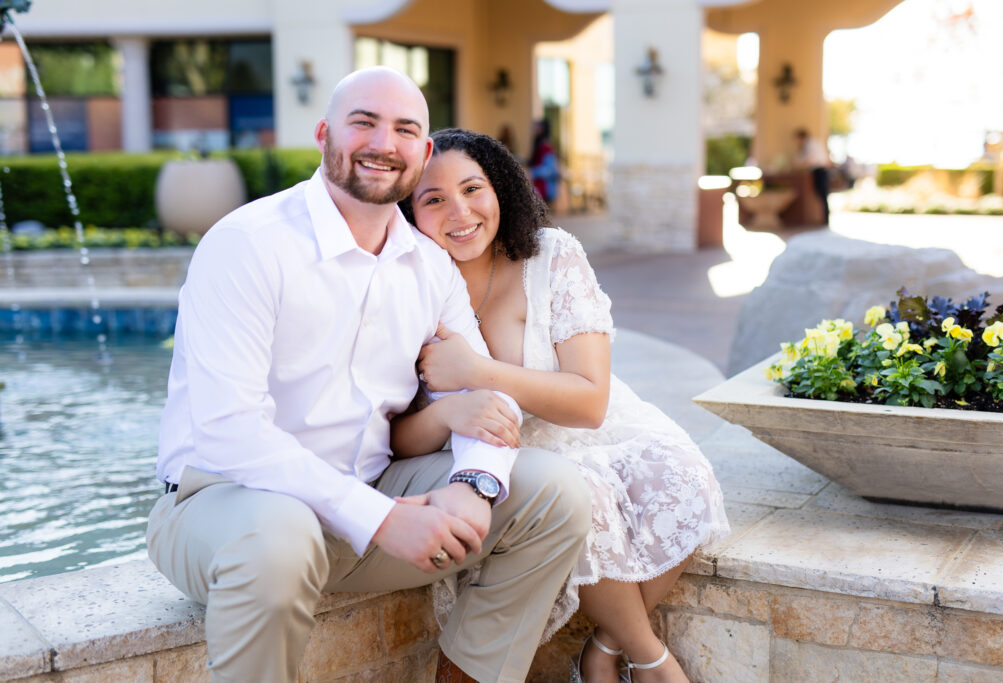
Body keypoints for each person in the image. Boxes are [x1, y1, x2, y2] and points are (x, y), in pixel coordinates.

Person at [146, 67, 591, 683]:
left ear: (423, 152)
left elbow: (483, 396)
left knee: (554, 493)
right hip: (227, 507)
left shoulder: (429, 265)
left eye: (405, 129)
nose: (385, 142)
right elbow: (228, 431)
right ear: (325, 133)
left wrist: (475, 484)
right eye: (365, 122)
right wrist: (383, 519)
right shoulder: (248, 243)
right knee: (280, 534)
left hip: (370, 496)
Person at [396, 129, 730, 683]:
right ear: (407, 213)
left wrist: (477, 371)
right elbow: (396, 441)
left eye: (473, 188)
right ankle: (652, 661)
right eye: (433, 199)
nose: (460, 211)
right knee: (581, 496)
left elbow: (590, 402)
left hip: (589, 423)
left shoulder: (551, 256)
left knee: (682, 475)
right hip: (509, 453)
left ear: (500, 188)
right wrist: (449, 411)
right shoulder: (403, 289)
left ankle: (605, 647)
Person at [793, 127, 831, 226]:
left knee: (822, 193)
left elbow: (810, 159)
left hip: (820, 170)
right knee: (821, 193)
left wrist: (799, 164)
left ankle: (825, 218)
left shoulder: (810, 144)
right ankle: (824, 217)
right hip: (820, 170)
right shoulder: (811, 144)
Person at [528, 119, 560, 205]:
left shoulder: (546, 147)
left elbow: (550, 169)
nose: (536, 129)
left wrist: (534, 172)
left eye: (538, 127)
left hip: (543, 186)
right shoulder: (538, 144)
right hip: (538, 185)